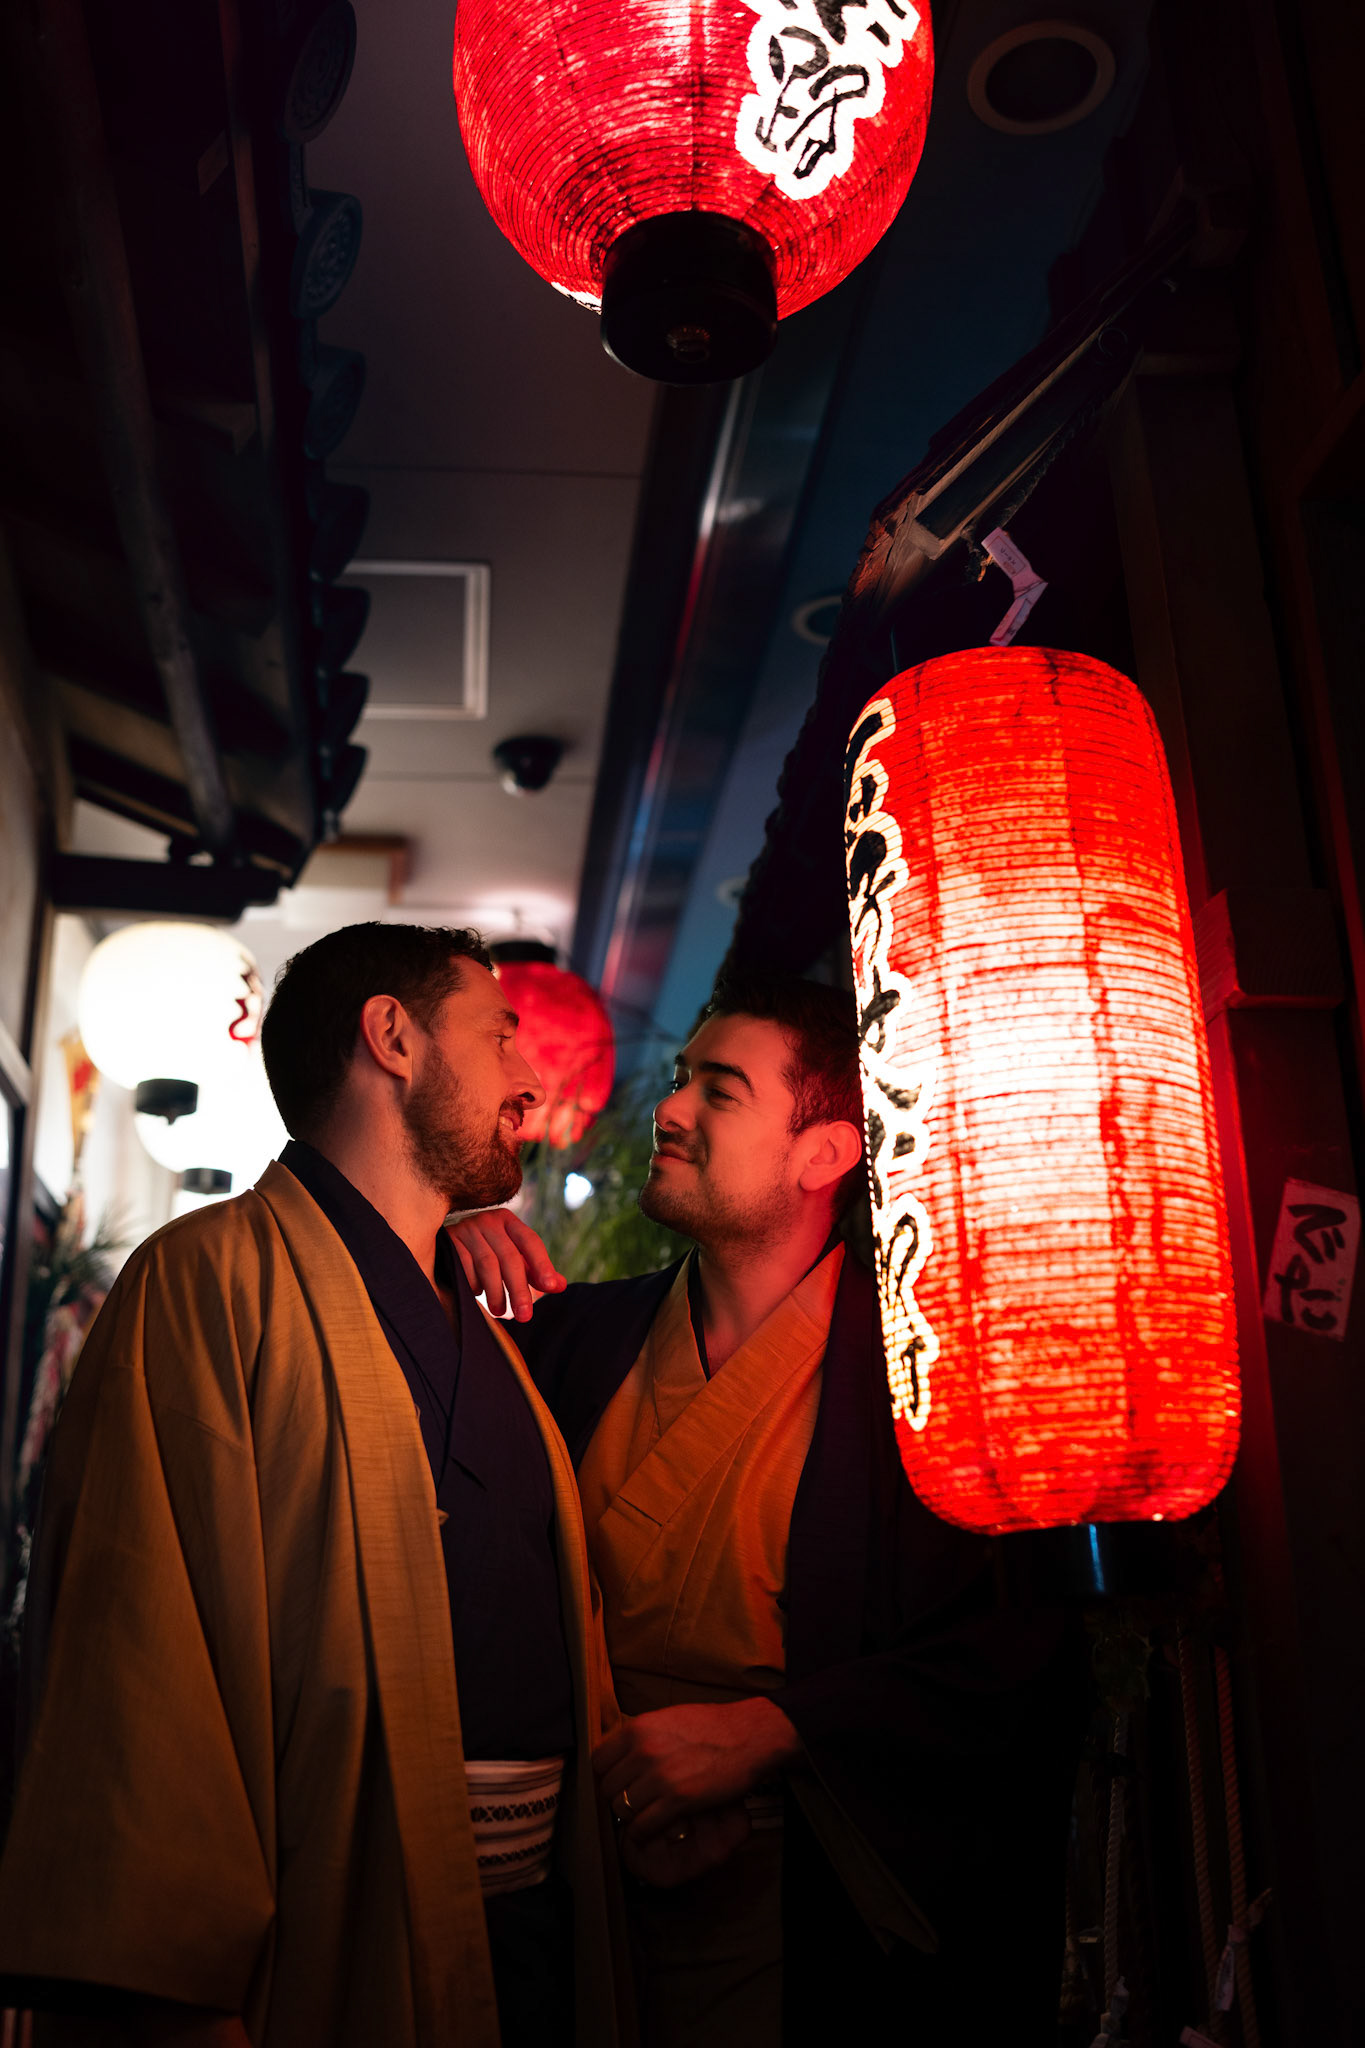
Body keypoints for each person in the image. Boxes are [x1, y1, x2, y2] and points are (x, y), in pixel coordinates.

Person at [0, 923, 627, 2048]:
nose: (531, 1084)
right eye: (500, 1038)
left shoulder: (480, 1326)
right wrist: (178, 2000)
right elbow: (138, 1656)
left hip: (533, 1929)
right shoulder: (204, 1281)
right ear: (391, 1035)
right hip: (323, 1925)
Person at [452, 971, 1086, 2048]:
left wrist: (771, 1731)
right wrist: (439, 1251)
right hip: (582, 1894)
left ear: (824, 1154)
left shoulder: (917, 1381)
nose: (669, 1108)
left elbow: (1011, 1654)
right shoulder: (575, 1341)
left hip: (802, 1914)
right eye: (681, 1077)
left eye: (721, 1088)